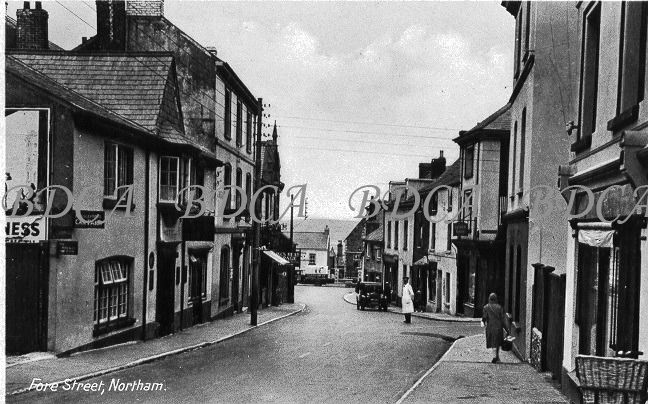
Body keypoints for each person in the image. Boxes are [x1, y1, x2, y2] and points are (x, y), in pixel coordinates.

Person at [482, 293, 509, 363]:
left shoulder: (486, 307)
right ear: (496, 299)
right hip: (498, 327)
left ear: (489, 298)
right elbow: (503, 319)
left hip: (490, 327)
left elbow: (484, 317)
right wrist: (506, 329)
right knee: (497, 342)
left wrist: (483, 322)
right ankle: (496, 356)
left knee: (492, 342)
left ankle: (495, 356)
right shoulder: (499, 307)